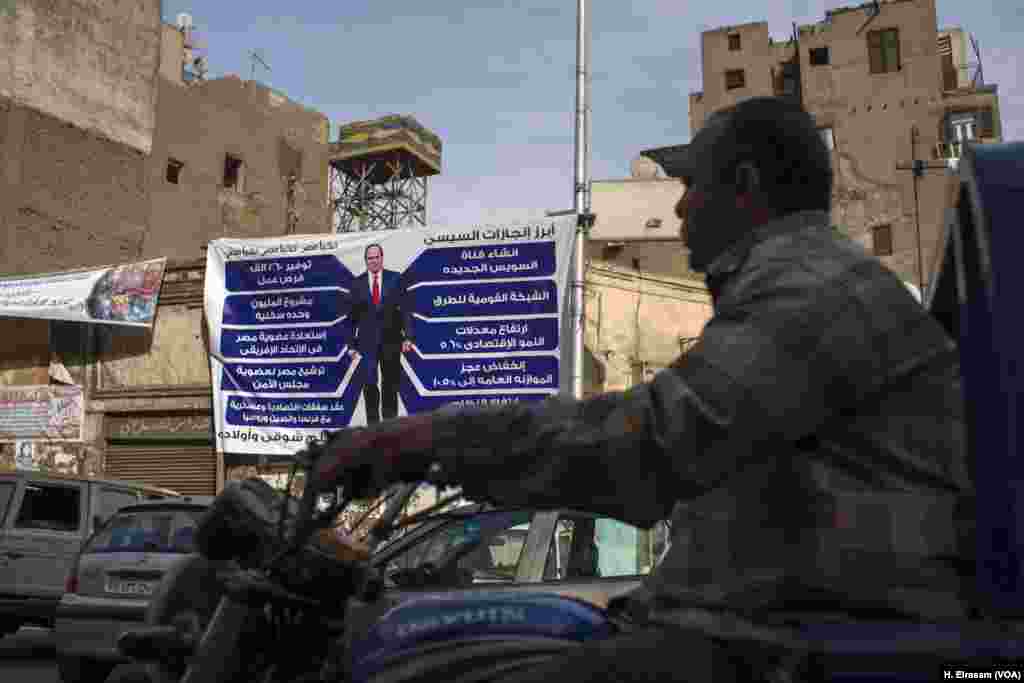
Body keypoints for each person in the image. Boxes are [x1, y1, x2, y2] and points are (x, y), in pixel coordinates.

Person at [322, 97, 969, 680]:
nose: (680, 204)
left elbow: (649, 444)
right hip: (761, 629)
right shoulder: (798, 285)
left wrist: (428, 437)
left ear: (744, 186)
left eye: (692, 184)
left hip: (798, 646)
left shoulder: (816, 292)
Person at [345, 243, 414, 424]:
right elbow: (351, 318)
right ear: (365, 261)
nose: (373, 261)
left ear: (382, 258)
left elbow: (406, 310)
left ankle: (390, 428)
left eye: (376, 257)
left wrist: (408, 337)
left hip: (391, 341)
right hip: (366, 344)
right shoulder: (357, 284)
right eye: (370, 258)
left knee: (390, 385)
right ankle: (373, 428)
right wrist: (351, 346)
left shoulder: (396, 279)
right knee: (369, 385)